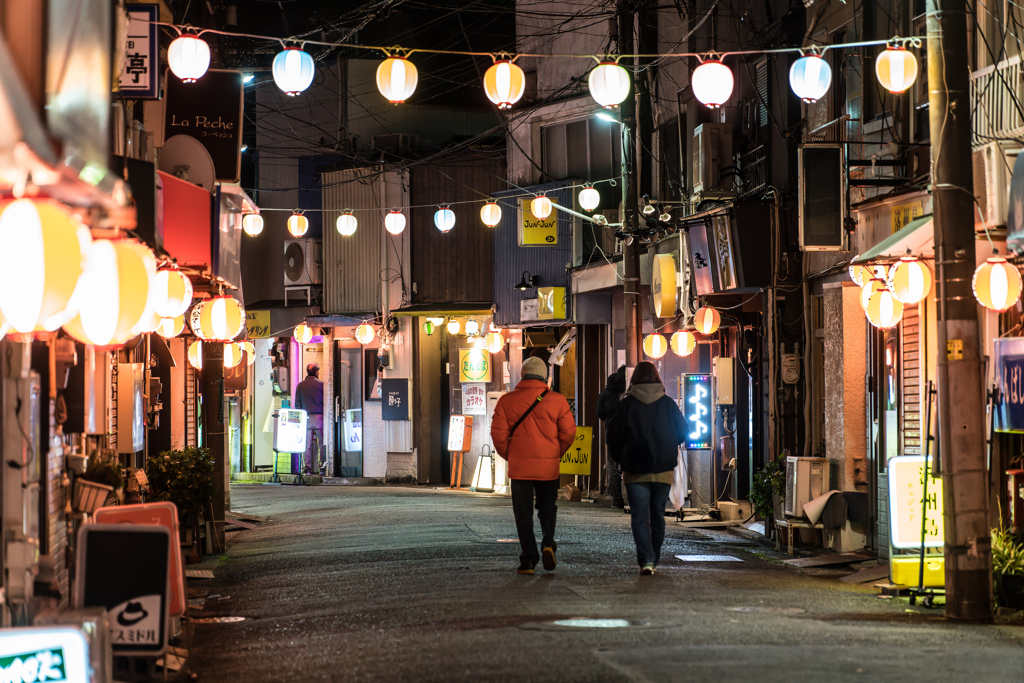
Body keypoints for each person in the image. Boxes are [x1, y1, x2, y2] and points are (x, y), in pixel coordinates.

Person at [491, 356, 576, 575]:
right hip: (548, 468)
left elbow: (498, 435)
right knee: (547, 508)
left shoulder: (507, 401)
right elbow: (569, 433)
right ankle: (548, 542)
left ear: (523, 375)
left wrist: (511, 455)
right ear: (545, 376)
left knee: (523, 513)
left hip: (520, 468)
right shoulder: (557, 400)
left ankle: (528, 559)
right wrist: (555, 454)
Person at [608, 361, 687, 575]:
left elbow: (612, 436)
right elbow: (683, 431)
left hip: (634, 469)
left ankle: (646, 561)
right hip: (662, 468)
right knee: (657, 515)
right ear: (657, 377)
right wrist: (668, 445)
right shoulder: (668, 403)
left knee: (640, 516)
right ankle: (655, 556)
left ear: (634, 380)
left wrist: (620, 458)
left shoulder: (626, 404)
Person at [596, 365, 627, 510]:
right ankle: (631, 499)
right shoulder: (630, 392)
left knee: (613, 467)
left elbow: (599, 412)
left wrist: (609, 420)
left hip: (612, 433)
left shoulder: (605, 392)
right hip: (629, 435)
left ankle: (616, 500)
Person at [294, 362, 324, 476]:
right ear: (316, 372)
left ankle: (307, 468)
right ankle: (322, 467)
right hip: (320, 417)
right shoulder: (322, 384)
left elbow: (298, 404)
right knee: (322, 443)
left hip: (306, 418)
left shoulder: (300, 385)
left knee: (306, 444)